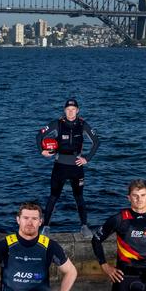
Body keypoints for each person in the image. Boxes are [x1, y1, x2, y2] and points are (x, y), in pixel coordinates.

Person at [36, 98, 100, 238]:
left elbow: (96, 142)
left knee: (79, 197)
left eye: (73, 109)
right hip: (60, 166)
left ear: (77, 110)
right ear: (64, 110)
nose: (70, 112)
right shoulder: (57, 124)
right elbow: (39, 135)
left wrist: (86, 159)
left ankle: (84, 226)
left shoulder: (82, 124)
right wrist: (42, 150)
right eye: (68, 109)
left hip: (76, 166)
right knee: (53, 197)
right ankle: (46, 227)